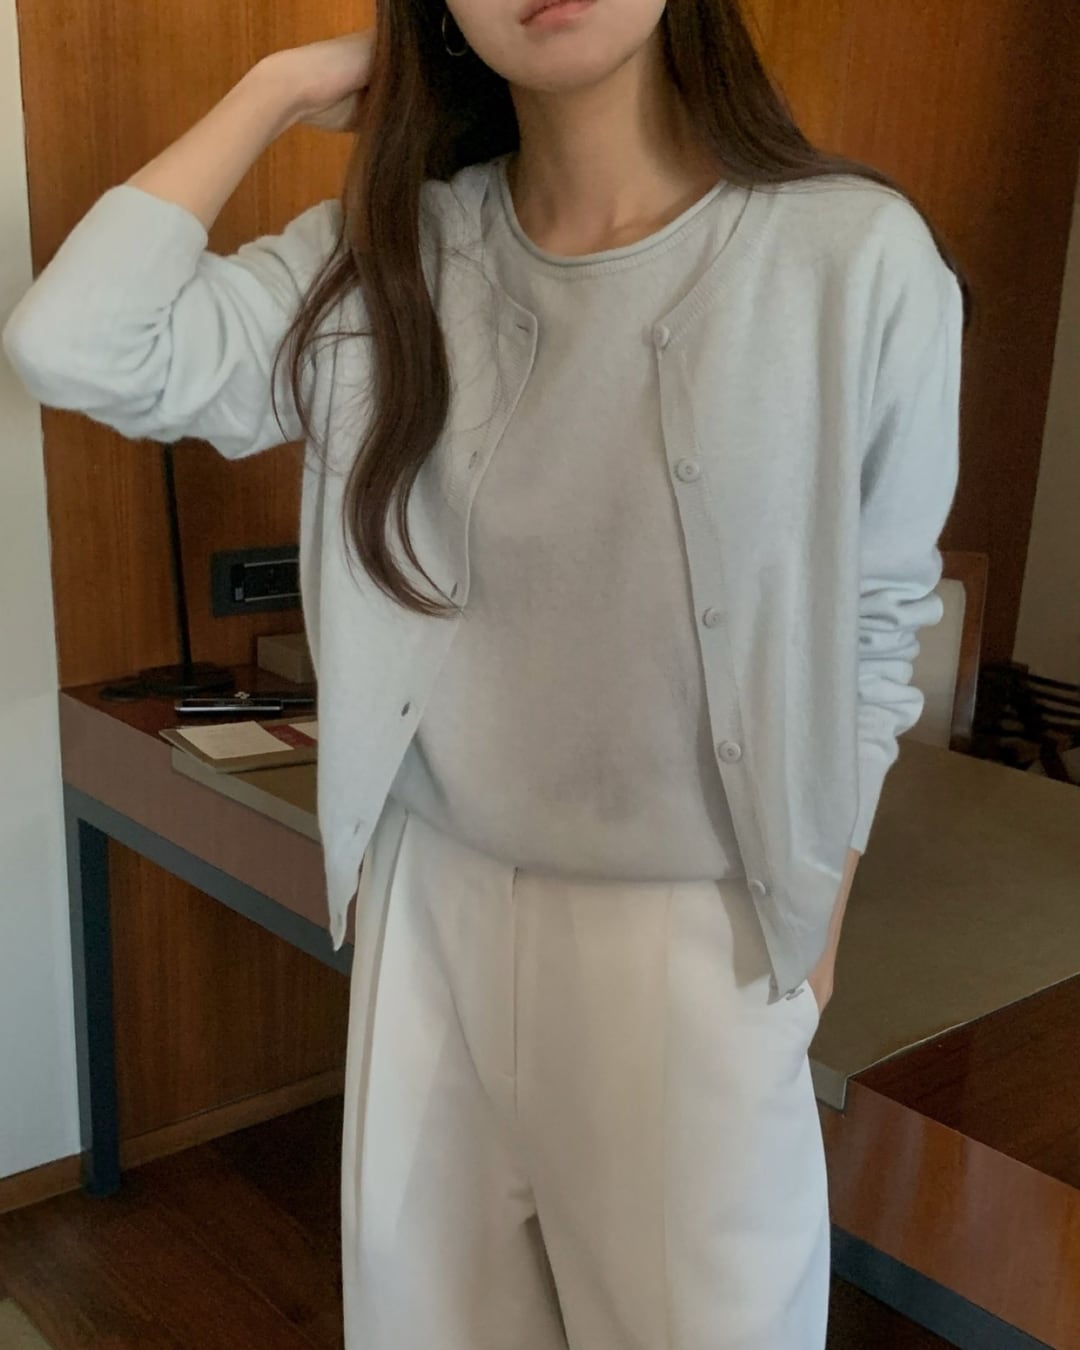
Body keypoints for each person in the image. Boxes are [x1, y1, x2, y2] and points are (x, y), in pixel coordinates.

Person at [2, 4, 967, 1347]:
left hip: (693, 936)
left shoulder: (853, 257)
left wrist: (820, 921)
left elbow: (879, 618)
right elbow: (73, 343)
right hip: (431, 910)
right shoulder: (390, 256)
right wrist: (278, 85)